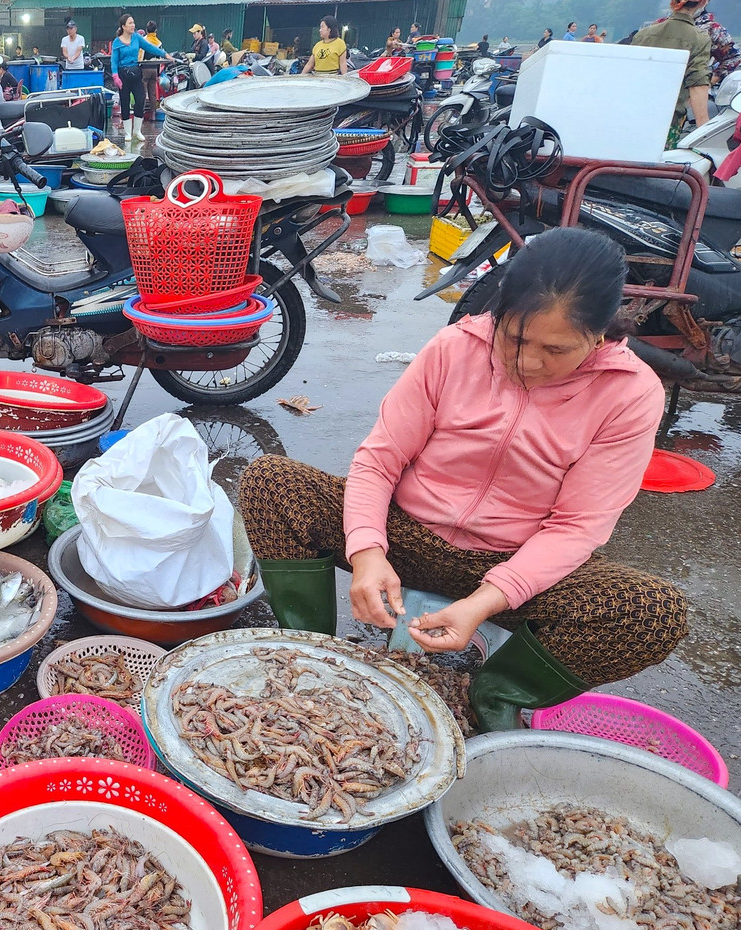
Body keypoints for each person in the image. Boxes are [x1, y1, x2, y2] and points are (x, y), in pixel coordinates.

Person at [237, 228, 685, 732]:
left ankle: (490, 698)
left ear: (602, 333)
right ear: (497, 311)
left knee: (651, 611)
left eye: (558, 350)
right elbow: (379, 460)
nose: (530, 362)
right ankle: (306, 653)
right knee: (271, 482)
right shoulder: (455, 348)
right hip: (407, 533)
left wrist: (484, 602)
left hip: (512, 562)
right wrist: (367, 554)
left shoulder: (631, 393)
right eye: (515, 338)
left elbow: (577, 528)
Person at [632, 0, 711, 143]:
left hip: (634, 115)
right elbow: (697, 84)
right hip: (668, 121)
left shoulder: (643, 34)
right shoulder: (700, 38)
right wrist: (704, 133)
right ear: (702, 3)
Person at [113, 14, 167, 143]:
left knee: (141, 99)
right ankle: (127, 133)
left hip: (136, 72)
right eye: (130, 23)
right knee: (125, 102)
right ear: (123, 26)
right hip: (123, 75)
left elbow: (150, 48)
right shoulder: (117, 42)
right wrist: (115, 76)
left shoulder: (137, 37)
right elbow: (114, 61)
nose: (133, 25)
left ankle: (137, 131)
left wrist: (165, 54)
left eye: (133, 23)